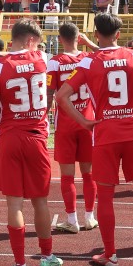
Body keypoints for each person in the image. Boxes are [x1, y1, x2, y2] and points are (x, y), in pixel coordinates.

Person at [58, 13, 133, 266]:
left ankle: (110, 254)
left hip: (105, 134)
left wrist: (84, 121)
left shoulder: (89, 62)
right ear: (118, 34)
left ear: (96, 34)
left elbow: (61, 96)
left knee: (107, 196)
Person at [0, 19, 62, 266]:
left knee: (14, 203)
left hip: (11, 136)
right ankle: (47, 257)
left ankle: (20, 264)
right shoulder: (43, 58)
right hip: (37, 136)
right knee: (40, 201)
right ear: (31, 41)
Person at [47, 22, 99, 233]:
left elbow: (50, 93)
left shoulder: (55, 61)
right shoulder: (88, 58)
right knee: (88, 174)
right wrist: (89, 44)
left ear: (60, 39)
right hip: (87, 121)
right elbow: (106, 52)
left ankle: (72, 219)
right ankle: (89, 217)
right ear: (79, 38)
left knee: (67, 176)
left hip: (66, 123)